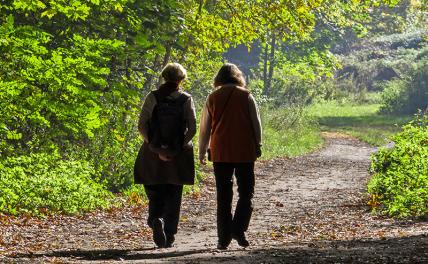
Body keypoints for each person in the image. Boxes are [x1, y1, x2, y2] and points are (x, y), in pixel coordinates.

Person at [198, 63, 262, 250]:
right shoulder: (246, 96)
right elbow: (255, 123)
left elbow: (205, 128)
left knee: (224, 196)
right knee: (246, 192)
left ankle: (223, 238)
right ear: (238, 77)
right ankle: (238, 228)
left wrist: (202, 151)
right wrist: (258, 144)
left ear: (219, 78)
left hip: (220, 152)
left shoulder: (212, 97)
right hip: (244, 150)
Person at [134, 63, 196, 248]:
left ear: (163, 77)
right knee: (174, 194)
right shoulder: (186, 99)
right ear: (181, 79)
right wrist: (178, 147)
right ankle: (169, 234)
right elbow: (192, 128)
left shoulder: (152, 97)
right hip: (178, 155)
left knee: (154, 192)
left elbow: (142, 124)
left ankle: (155, 220)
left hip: (152, 154)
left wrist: (153, 146)